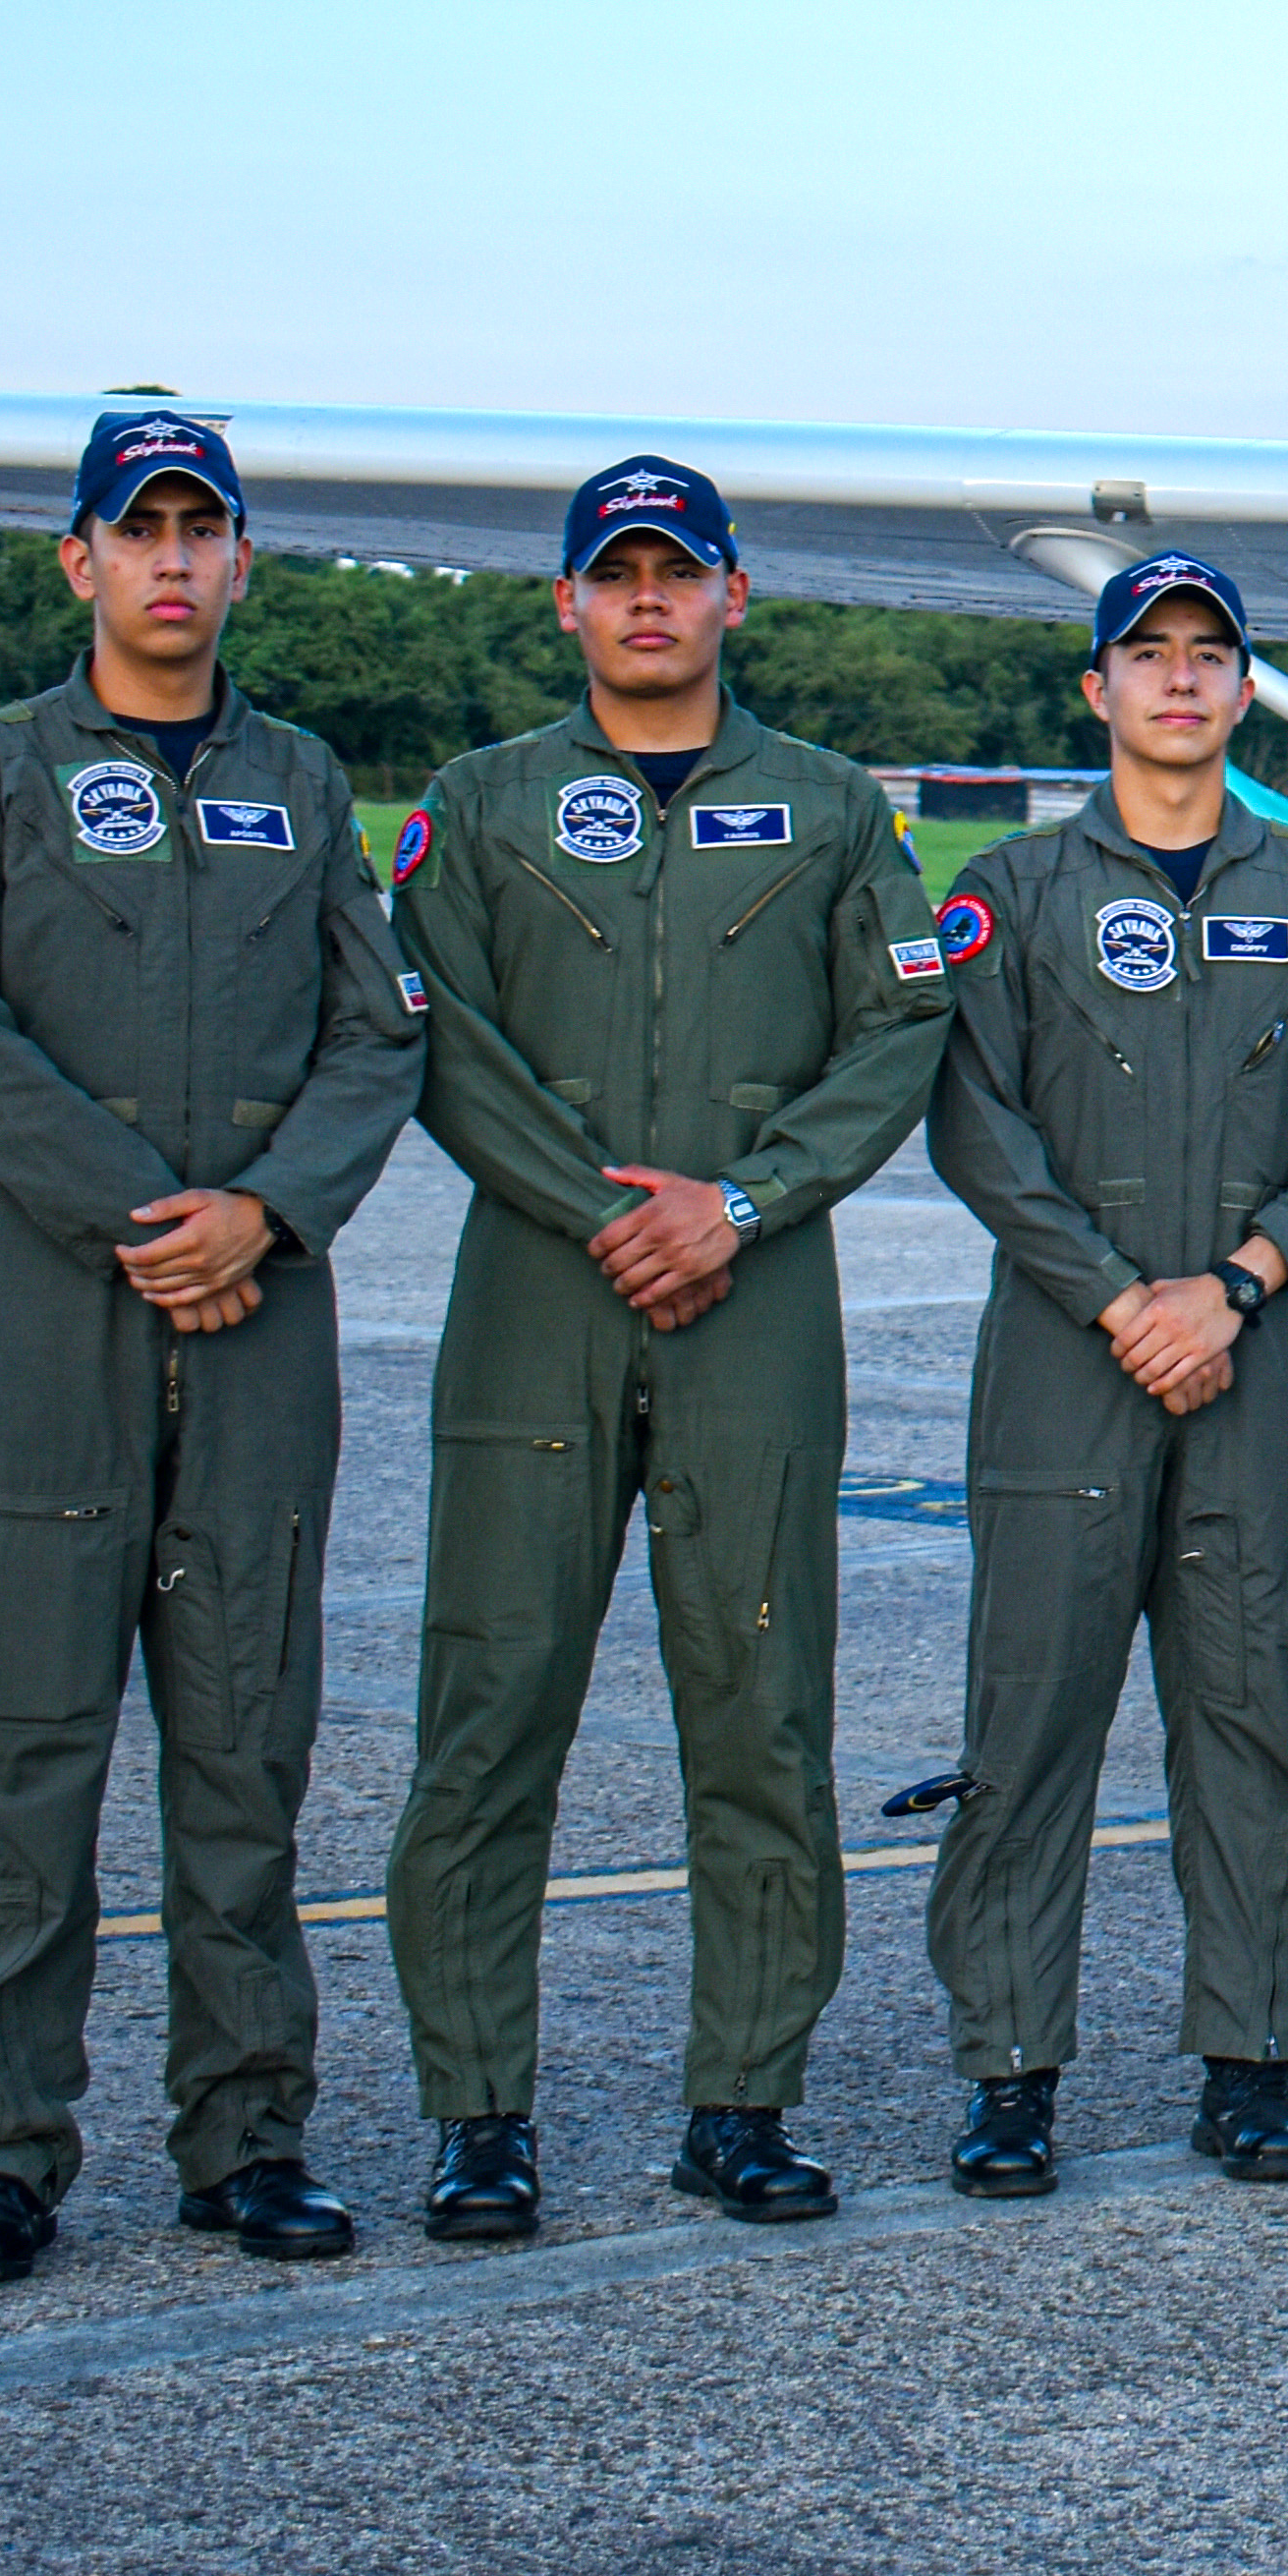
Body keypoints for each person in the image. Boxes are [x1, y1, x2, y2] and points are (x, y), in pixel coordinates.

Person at [0, 412, 422, 2282]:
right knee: (30, 1752)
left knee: (245, 1747)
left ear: (244, 562)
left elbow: (381, 1032)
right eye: (142, 531)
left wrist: (262, 1216)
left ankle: (247, 2136)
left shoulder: (304, 778)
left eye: (205, 530)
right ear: (81, 563)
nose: (173, 560)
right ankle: (4, 2152)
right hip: (53, 1325)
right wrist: (145, 1217)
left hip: (263, 1325)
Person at [383, 456, 949, 2238]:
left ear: (734, 596)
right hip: (535, 1303)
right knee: (489, 1714)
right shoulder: (480, 807)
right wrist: (606, 1206)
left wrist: (746, 1203)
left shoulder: (838, 808)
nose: (648, 600)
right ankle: (481, 2115)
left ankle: (745, 2098)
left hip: (756, 1306)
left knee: (763, 1714)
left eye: (678, 572)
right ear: (566, 601)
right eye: (614, 574)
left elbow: (901, 1034)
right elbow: (439, 1038)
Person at [915, 553, 1288, 2199]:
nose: (1182, 681)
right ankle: (1008, 2069)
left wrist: (1238, 1285)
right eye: (1150, 656)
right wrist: (1119, 1297)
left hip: (1247, 1359)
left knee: (1251, 1715)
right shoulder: (1016, 886)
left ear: (1244, 687)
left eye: (1212, 655)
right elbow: (976, 1119)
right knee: (1030, 1718)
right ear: (1098, 690)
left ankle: (1251, 2059)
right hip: (1067, 1361)